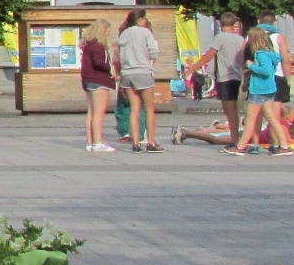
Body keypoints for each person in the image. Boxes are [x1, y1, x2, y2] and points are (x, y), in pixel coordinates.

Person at [176, 12, 246, 148]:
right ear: (234, 24)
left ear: (220, 24)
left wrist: (192, 69)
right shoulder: (241, 39)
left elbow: (209, 55)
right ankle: (235, 138)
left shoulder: (220, 38)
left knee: (230, 111)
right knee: (233, 110)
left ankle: (235, 141)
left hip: (225, 77)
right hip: (237, 77)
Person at [227, 27, 292, 156]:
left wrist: (251, 66)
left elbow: (266, 71)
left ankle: (240, 147)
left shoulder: (260, 54)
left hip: (259, 90)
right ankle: (284, 146)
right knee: (272, 119)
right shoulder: (270, 54)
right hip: (269, 89)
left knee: (251, 119)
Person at [116, 9, 163, 152]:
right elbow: (153, 52)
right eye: (144, 18)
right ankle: (151, 142)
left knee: (134, 109)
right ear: (140, 19)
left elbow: (119, 55)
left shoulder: (124, 34)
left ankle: (136, 143)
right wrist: (149, 58)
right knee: (149, 108)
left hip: (127, 73)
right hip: (143, 71)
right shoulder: (145, 32)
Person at [79, 18, 118, 152]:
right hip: (99, 81)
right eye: (107, 31)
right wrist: (110, 68)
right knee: (99, 112)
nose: (108, 34)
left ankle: (90, 142)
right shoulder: (98, 46)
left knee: (91, 111)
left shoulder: (88, 45)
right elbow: (98, 62)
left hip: (88, 80)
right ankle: (98, 142)